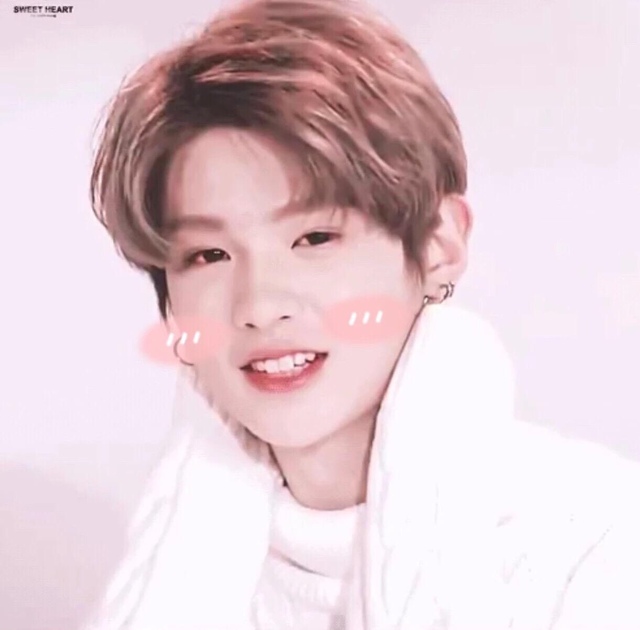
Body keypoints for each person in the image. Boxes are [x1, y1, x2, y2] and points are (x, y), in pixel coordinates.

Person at [84, 0, 640, 628]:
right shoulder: (169, 570)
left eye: (315, 238)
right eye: (209, 255)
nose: (260, 305)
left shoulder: (599, 542)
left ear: (439, 244)